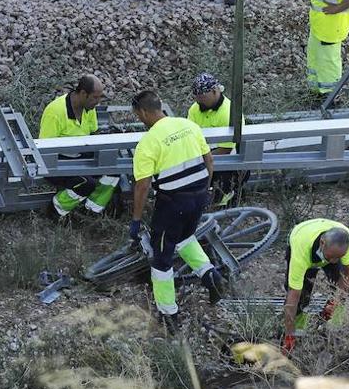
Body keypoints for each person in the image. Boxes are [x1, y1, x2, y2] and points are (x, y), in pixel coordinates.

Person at [128, 89, 226, 327]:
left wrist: (136, 220)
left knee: (162, 259)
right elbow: (209, 161)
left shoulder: (148, 142)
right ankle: (210, 276)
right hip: (199, 195)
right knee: (184, 237)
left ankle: (168, 313)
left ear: (142, 112)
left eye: (138, 116)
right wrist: (204, 189)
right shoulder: (188, 125)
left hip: (172, 204)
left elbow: (142, 186)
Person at [38, 74, 120, 217]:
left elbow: (93, 133)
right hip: (58, 162)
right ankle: (56, 210)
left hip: (81, 155)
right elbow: (45, 150)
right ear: (83, 93)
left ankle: (92, 210)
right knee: (85, 183)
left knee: (113, 169)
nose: (98, 102)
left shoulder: (89, 108)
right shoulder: (56, 112)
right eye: (95, 97)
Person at [280, 219, 349, 354]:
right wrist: (289, 335)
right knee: (303, 295)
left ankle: (333, 329)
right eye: (331, 257)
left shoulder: (346, 242)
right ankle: (297, 329)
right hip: (303, 240)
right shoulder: (300, 251)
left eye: (339, 257)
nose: (333, 261)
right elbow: (293, 296)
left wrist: (334, 302)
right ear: (322, 243)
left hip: (328, 247)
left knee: (342, 286)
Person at [187, 73, 243, 207]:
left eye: (203, 97)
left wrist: (201, 160)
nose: (200, 101)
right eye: (197, 98)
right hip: (202, 154)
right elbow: (189, 136)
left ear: (215, 91)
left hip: (225, 159)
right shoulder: (195, 109)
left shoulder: (229, 112)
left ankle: (223, 199)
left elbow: (226, 149)